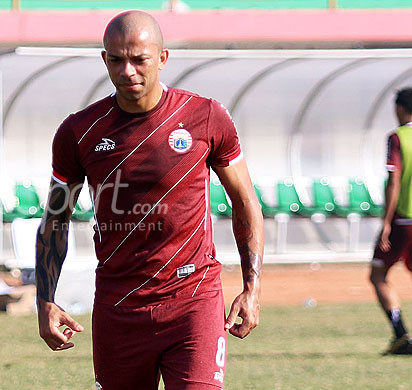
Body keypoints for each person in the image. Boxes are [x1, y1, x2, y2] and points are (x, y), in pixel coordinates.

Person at [35, 11, 264, 389]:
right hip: (119, 307)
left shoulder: (206, 116)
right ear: (104, 59)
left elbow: (246, 204)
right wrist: (45, 299)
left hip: (194, 299)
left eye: (139, 59)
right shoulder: (78, 131)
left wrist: (252, 289)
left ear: (162, 58)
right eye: (116, 59)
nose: (128, 71)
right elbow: (55, 218)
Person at [370, 87, 412, 355]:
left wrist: (386, 222)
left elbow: (394, 180)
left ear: (399, 108)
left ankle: (401, 333)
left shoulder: (398, 138)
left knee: (377, 275)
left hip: (404, 219)